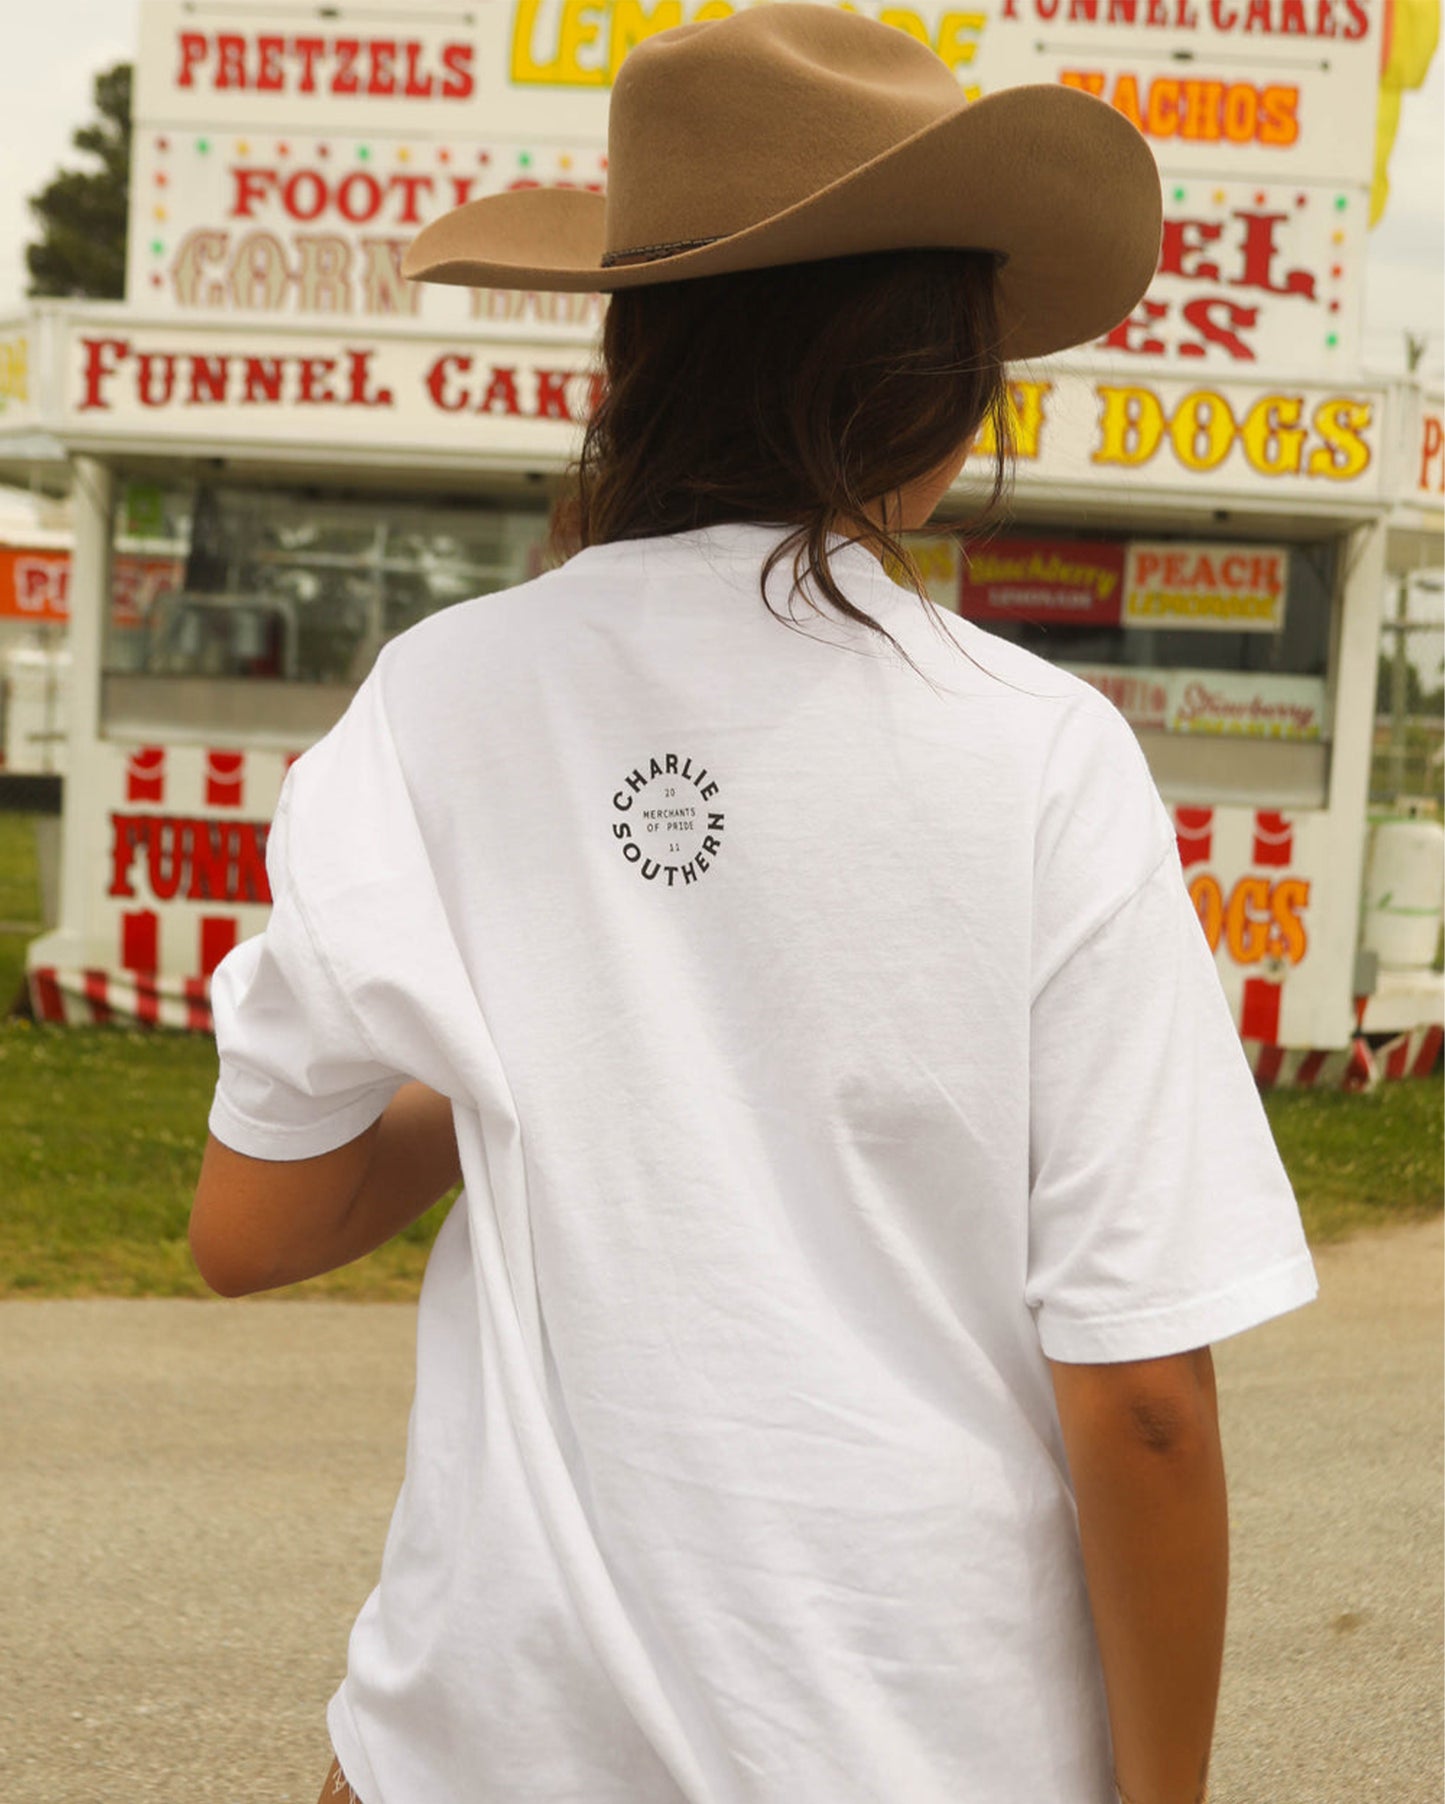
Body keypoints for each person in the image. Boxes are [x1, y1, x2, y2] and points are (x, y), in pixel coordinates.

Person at [188, 9, 1318, 1803]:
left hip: (478, 1747)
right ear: (940, 388)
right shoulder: (1035, 755)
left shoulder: (438, 697)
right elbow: (1142, 1395)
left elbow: (249, 1228)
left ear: (632, 359)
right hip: (911, 1744)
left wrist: (520, 1061)